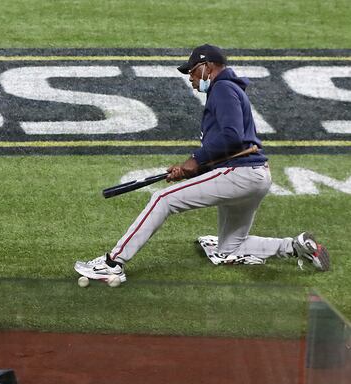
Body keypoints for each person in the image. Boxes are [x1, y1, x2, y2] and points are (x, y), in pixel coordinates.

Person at [75, 44, 329, 284]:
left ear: (208, 67)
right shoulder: (228, 89)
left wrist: (195, 160)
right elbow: (230, 145)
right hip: (253, 176)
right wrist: (192, 170)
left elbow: (231, 136)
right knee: (230, 248)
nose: (191, 78)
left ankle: (112, 262)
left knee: (163, 200)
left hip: (239, 174)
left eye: (193, 71)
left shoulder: (223, 88)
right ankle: (295, 246)